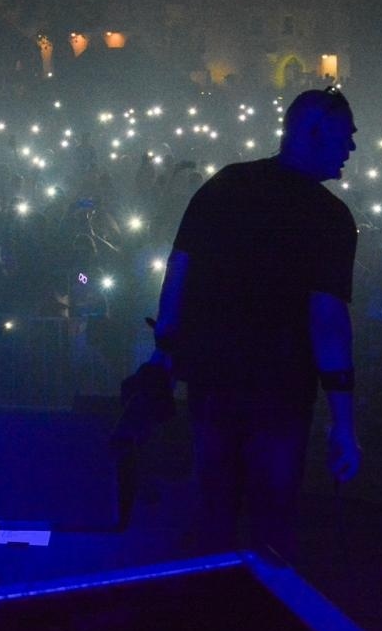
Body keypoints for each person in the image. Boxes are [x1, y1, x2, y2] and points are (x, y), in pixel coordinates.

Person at [148, 86, 361, 560]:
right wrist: (343, 421)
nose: (351, 148)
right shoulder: (328, 218)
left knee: (213, 512)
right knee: (273, 522)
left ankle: (205, 614)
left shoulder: (225, 185)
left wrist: (164, 351)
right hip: (279, 393)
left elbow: (177, 269)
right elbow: (327, 320)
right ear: (312, 132)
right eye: (345, 135)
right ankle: (265, 620)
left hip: (212, 384)